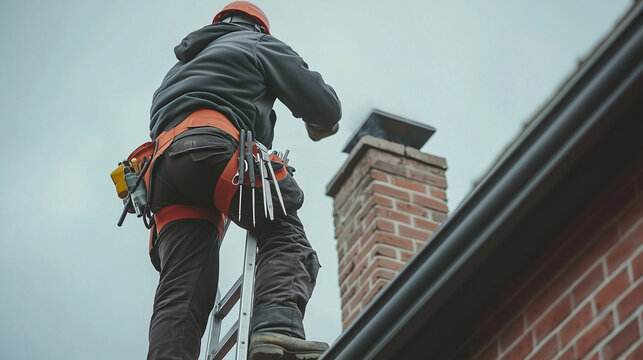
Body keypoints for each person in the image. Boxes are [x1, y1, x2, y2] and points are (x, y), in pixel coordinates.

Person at [144, 2, 342, 360]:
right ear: (259, 28)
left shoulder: (177, 70)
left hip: (162, 174)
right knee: (284, 232)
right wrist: (321, 123)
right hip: (212, 152)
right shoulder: (256, 43)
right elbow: (323, 105)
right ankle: (276, 330)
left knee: (182, 291)